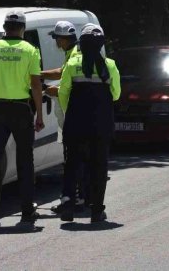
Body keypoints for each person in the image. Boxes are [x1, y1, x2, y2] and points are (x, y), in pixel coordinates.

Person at [0, 9, 44, 228]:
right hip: (21, 110)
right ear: (22, 28)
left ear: (5, 28)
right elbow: (35, 83)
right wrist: (39, 114)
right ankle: (27, 212)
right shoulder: (30, 50)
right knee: (25, 160)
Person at [58, 24, 121, 223]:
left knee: (72, 164)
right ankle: (96, 210)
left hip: (76, 122)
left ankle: (68, 204)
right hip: (101, 124)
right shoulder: (109, 65)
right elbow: (116, 94)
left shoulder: (72, 64)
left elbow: (63, 91)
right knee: (99, 166)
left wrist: (71, 112)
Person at [40, 21, 87, 214]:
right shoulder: (72, 52)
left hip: (72, 116)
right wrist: (39, 74)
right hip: (76, 115)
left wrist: (48, 89)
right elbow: (62, 71)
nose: (55, 42)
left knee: (73, 160)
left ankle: (75, 199)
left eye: (56, 39)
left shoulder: (75, 54)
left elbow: (69, 88)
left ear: (62, 39)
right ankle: (80, 197)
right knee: (77, 158)